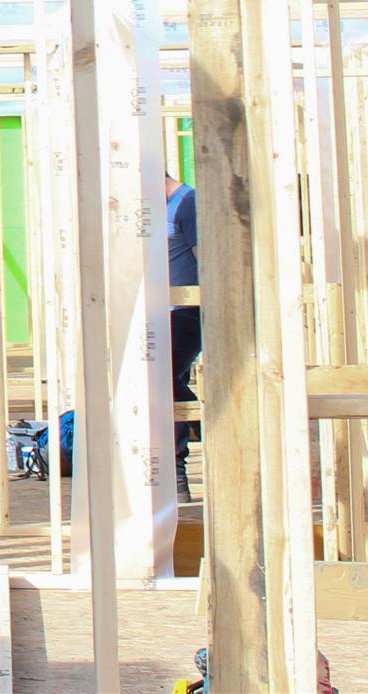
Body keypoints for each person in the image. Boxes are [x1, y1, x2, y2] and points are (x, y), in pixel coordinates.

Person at [166, 166, 201, 503]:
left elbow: (205, 259)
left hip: (188, 311)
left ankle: (177, 475)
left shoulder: (186, 203)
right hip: (166, 313)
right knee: (168, 383)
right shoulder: (163, 207)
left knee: (164, 381)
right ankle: (209, 427)